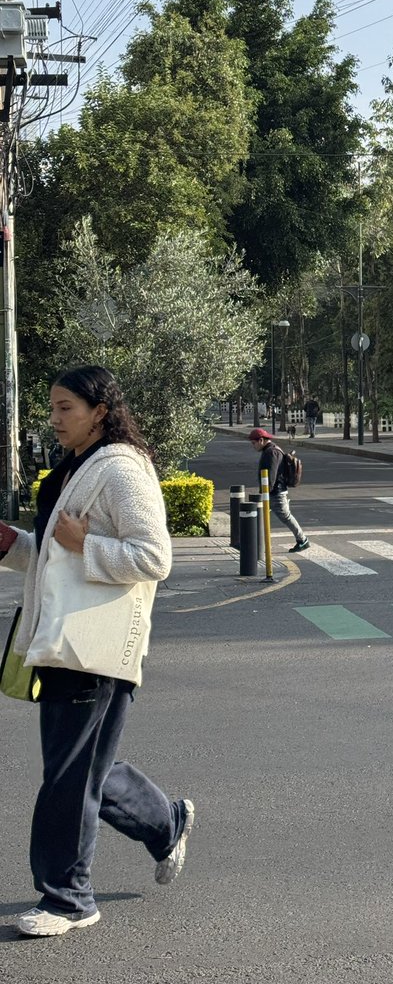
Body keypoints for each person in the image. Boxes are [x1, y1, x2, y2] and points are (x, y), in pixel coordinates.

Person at [0, 366, 191, 938]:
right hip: (62, 639)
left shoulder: (123, 470)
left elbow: (154, 557)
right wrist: (12, 545)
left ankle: (68, 899)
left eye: (66, 409)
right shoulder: (77, 467)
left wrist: (87, 544)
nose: (55, 419)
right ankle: (166, 821)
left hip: (96, 645)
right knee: (81, 769)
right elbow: (57, 556)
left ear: (99, 411)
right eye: (53, 407)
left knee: (68, 778)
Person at [248, 428, 309, 552]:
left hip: (275, 492)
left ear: (261, 440)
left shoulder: (271, 452)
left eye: (253, 443)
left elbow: (271, 474)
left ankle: (302, 540)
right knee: (259, 515)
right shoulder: (271, 450)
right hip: (273, 491)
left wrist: (265, 492)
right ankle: (254, 542)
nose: (253, 446)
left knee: (285, 516)